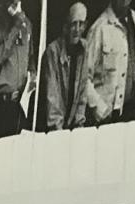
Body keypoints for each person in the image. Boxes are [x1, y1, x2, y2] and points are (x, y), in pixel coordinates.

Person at [81, 0, 135, 125]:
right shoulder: (100, 28)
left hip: (132, 110)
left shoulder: (134, 19)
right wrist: (99, 108)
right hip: (108, 117)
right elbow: (83, 77)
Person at [0, 0, 36, 140]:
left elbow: (31, 57)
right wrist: (14, 29)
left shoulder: (27, 24)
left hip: (19, 104)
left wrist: (32, 76)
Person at [41, 2, 88, 130]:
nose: (77, 29)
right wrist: (58, 132)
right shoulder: (53, 51)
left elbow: (82, 93)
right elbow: (52, 97)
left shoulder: (84, 49)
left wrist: (79, 125)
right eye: (73, 24)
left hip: (70, 126)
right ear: (66, 26)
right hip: (52, 127)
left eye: (81, 24)